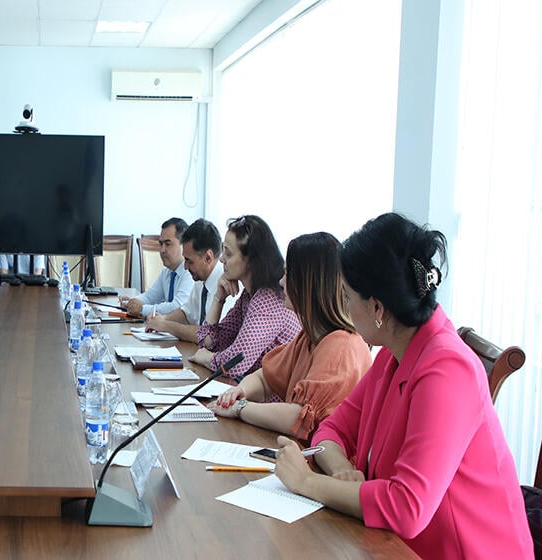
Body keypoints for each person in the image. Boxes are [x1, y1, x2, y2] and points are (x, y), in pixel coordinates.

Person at [272, 213, 532, 559]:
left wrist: (308, 483)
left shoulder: (447, 369)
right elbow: (331, 430)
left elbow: (407, 507)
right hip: (395, 545)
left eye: (348, 297)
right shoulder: (392, 355)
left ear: (378, 308)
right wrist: (342, 472)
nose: (345, 308)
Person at [210, 232, 370, 441]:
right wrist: (241, 391)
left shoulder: (341, 345)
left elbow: (298, 416)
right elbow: (266, 378)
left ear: (307, 283)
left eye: (288, 274)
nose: (282, 281)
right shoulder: (310, 337)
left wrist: (240, 408)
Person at [189, 215, 300, 380]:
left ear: (251, 261)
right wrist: (219, 297)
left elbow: (234, 364)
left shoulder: (268, 300)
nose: (222, 259)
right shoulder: (249, 296)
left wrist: (207, 358)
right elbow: (209, 342)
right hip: (249, 391)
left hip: (271, 400)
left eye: (228, 253)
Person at [144, 219, 223, 342]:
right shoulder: (200, 278)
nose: (185, 267)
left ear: (208, 258)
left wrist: (166, 326)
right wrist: (164, 319)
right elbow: (186, 314)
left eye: (189, 261)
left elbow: (209, 336)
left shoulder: (227, 284)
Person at [120, 217, 194, 317]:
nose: (162, 250)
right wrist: (132, 302)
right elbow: (150, 297)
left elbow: (178, 307)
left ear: (183, 244)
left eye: (168, 244)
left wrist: (142, 309)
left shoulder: (191, 271)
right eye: (161, 244)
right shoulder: (167, 271)